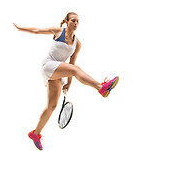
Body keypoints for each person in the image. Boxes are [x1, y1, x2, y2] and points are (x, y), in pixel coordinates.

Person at [12, 12, 119, 150]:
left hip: (59, 71)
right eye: (73, 20)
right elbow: (37, 31)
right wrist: (20, 28)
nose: (76, 23)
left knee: (52, 106)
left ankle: (35, 133)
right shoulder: (57, 31)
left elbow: (72, 64)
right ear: (67, 22)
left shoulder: (77, 44)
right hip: (48, 65)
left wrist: (69, 83)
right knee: (75, 69)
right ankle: (100, 87)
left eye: (77, 21)